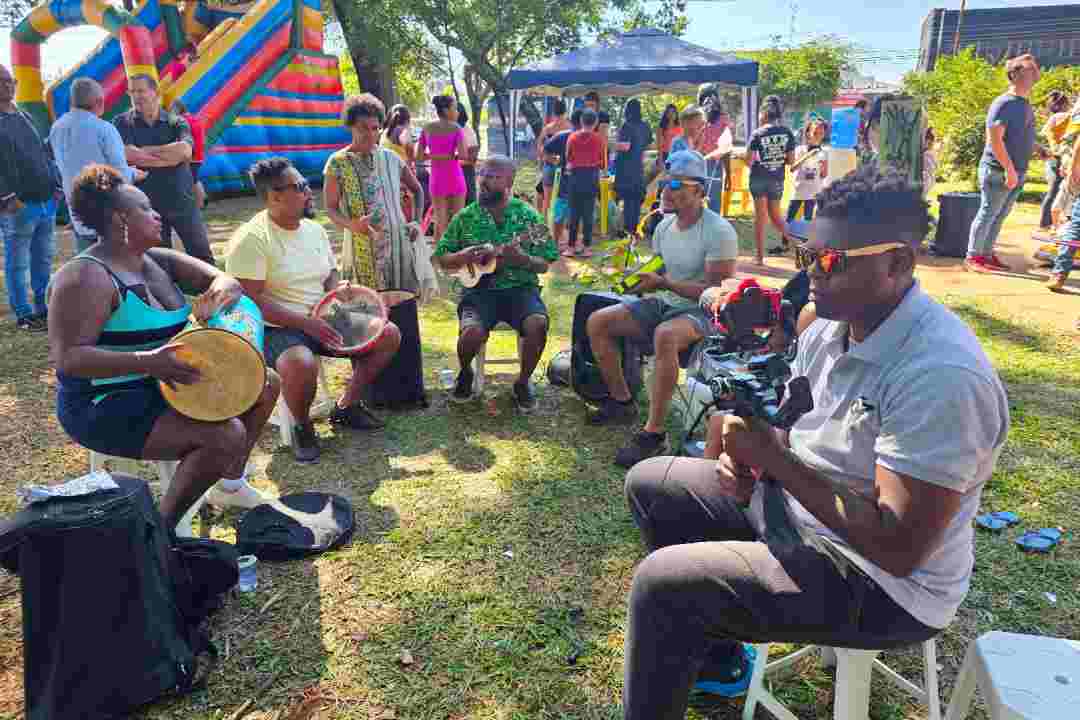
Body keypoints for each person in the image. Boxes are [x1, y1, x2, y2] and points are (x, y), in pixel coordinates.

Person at [621, 166, 1010, 718]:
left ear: (898, 262)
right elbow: (794, 421)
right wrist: (754, 459)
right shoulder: (832, 325)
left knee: (663, 586)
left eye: (829, 262)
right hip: (809, 518)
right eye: (806, 255)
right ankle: (721, 666)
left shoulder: (941, 376)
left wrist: (774, 458)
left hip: (884, 585)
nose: (810, 275)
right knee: (653, 482)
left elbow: (898, 549)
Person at [49, 164, 281, 525]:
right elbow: (69, 359)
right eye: (144, 208)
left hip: (162, 383)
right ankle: (162, 529)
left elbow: (226, 279)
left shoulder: (157, 261)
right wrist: (149, 361)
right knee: (224, 435)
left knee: (265, 382)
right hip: (104, 402)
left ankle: (230, 485)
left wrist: (217, 296)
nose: (156, 213)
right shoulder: (85, 277)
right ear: (118, 219)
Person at [229, 157, 402, 463]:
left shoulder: (313, 230)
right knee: (301, 362)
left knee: (388, 334)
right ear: (274, 196)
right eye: (300, 187)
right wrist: (307, 324)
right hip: (275, 327)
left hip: (323, 316)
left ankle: (346, 406)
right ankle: (301, 425)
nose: (310, 192)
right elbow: (251, 300)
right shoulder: (251, 238)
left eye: (306, 184)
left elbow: (328, 274)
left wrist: (339, 287)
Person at [586, 149, 738, 467]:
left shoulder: (719, 231)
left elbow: (716, 293)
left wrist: (664, 284)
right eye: (666, 183)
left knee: (665, 336)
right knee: (598, 320)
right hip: (665, 301)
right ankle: (622, 401)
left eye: (676, 185)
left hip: (704, 312)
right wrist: (633, 283)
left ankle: (654, 434)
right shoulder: (664, 227)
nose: (667, 191)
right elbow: (659, 269)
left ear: (699, 189)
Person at [432, 156, 560, 412]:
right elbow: (441, 258)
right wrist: (464, 256)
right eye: (482, 174)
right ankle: (465, 373)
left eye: (492, 176)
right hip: (478, 292)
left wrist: (523, 259)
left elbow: (546, 262)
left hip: (520, 291)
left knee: (537, 324)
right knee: (471, 333)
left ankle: (523, 383)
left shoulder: (528, 217)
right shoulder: (466, 216)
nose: (483, 181)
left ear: (509, 182)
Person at [324, 93, 428, 295]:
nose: (370, 134)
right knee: (369, 311)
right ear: (350, 126)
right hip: (362, 249)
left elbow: (417, 190)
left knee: (403, 305)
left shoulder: (391, 158)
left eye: (375, 128)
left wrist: (415, 222)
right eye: (363, 128)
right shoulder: (337, 163)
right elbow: (330, 207)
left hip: (399, 247)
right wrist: (351, 224)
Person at [114, 74, 213, 265]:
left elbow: (185, 151)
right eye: (132, 92)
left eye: (141, 90)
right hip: (147, 206)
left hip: (182, 200)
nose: (136, 96)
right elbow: (126, 155)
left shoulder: (176, 122)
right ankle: (169, 295)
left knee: (202, 254)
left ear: (155, 92)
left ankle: (215, 294)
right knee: (159, 262)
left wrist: (143, 153)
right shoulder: (121, 122)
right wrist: (168, 156)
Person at [50, 78, 145, 255]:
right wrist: (133, 174)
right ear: (99, 102)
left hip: (78, 212)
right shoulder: (104, 129)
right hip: (108, 216)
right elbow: (121, 173)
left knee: (90, 268)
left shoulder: (56, 128)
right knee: (118, 269)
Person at [0, 63, 62, 332]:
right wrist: (8, 197)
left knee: (43, 258)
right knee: (18, 264)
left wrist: (56, 185)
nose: (8, 84)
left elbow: (42, 152)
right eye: (2, 81)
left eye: (9, 80)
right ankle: (24, 314)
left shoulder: (24, 115)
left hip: (46, 200)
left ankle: (42, 307)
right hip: (18, 206)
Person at [966, 54, 1039, 273]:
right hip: (999, 170)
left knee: (999, 216)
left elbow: (1018, 136)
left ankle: (986, 255)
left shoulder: (1023, 104)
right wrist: (1009, 169)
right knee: (989, 213)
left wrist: (1039, 149)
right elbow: (995, 140)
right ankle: (973, 257)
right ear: (1015, 75)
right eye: (1030, 69)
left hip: (1017, 170)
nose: (1035, 72)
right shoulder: (1004, 103)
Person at [748, 94, 796, 264]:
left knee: (760, 218)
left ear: (764, 113)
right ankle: (802, 248)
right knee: (777, 218)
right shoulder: (788, 133)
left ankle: (759, 258)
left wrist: (739, 155)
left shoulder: (757, 133)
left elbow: (749, 160)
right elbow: (791, 161)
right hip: (776, 179)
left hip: (758, 177)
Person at [417, 95, 468, 242]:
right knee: (458, 219)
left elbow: (419, 156)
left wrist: (436, 156)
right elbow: (463, 154)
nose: (457, 112)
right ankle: (456, 257)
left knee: (440, 221)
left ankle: (438, 259)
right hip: (455, 176)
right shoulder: (456, 128)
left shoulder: (427, 128)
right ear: (446, 110)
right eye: (455, 108)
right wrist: (449, 156)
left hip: (437, 179)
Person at [565, 109, 605, 257]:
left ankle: (571, 246)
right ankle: (587, 247)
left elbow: (568, 157)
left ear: (581, 121)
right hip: (591, 176)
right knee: (588, 213)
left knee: (574, 213)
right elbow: (602, 160)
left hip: (575, 177)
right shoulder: (599, 139)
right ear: (595, 123)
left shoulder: (572, 137)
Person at [543, 109, 583, 253]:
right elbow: (546, 151)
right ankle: (570, 244)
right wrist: (555, 162)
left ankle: (562, 243)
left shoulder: (563, 136)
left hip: (567, 183)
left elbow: (545, 151)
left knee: (562, 214)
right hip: (574, 184)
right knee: (571, 215)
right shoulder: (564, 136)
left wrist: (553, 161)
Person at [613, 99, 654, 237]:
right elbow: (648, 145)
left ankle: (626, 229)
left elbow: (625, 146)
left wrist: (611, 144)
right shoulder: (645, 126)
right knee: (635, 200)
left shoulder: (627, 126)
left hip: (625, 167)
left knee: (626, 199)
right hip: (638, 167)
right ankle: (633, 229)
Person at [786, 118, 828, 224]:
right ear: (808, 133)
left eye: (821, 133)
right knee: (789, 219)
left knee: (807, 220)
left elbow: (824, 175)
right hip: (799, 191)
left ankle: (804, 240)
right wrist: (808, 155)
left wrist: (823, 167)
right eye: (815, 133)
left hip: (813, 193)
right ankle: (785, 240)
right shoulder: (800, 149)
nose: (818, 136)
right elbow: (792, 168)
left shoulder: (823, 153)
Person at [381, 104, 418, 225]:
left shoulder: (384, 133)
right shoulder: (403, 130)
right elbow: (407, 143)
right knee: (406, 213)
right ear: (408, 119)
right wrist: (411, 157)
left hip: (386, 176)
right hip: (403, 178)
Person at [1039, 90, 1071, 230]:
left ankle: (1046, 222)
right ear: (1063, 103)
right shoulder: (1063, 116)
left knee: (1053, 190)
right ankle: (1047, 222)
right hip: (1059, 157)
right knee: (1058, 190)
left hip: (1053, 156)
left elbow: (1046, 134)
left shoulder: (1053, 118)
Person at [170, 100, 206, 210]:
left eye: (172, 110)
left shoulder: (183, 121)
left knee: (191, 181)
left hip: (192, 156)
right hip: (198, 155)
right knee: (195, 180)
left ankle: (198, 205)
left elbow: (185, 138)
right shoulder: (194, 118)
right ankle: (201, 203)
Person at [538, 99, 571, 216]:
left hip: (549, 166)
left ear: (553, 112)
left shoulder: (548, 128)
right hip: (565, 169)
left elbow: (540, 147)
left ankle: (544, 226)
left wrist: (546, 159)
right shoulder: (570, 127)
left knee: (546, 199)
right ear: (566, 111)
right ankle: (561, 228)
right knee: (563, 201)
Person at [697, 104, 733, 215]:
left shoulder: (700, 120)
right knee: (713, 202)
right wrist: (728, 173)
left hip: (702, 161)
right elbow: (726, 150)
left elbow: (726, 148)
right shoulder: (723, 121)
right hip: (712, 163)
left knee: (698, 199)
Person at [458, 102, 481, 205]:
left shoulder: (468, 132)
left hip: (464, 173)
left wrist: (451, 161)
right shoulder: (447, 130)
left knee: (467, 204)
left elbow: (472, 160)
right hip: (451, 173)